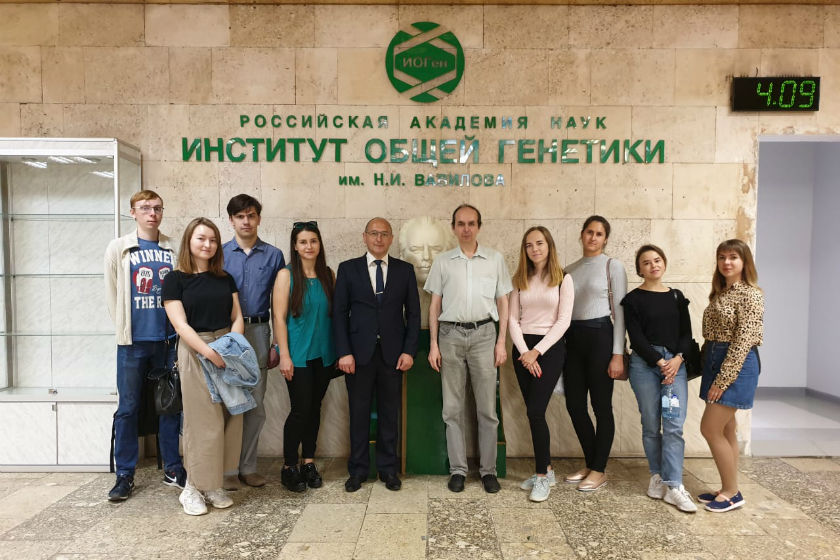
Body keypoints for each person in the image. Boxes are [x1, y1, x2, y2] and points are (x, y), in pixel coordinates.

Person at [425, 204, 512, 494]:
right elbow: (434, 305)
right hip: (449, 335)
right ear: (453, 228)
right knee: (452, 408)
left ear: (479, 226)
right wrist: (433, 344)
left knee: (487, 409)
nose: (466, 229)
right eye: (460, 223)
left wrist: (501, 342)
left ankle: (488, 471)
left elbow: (503, 302)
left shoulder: (495, 260)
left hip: (485, 335)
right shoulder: (443, 262)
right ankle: (458, 470)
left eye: (471, 223)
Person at [104, 189, 185, 501]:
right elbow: (112, 293)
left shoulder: (173, 248)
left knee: (169, 406)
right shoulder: (119, 248)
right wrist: (125, 329)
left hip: (167, 341)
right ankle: (125, 474)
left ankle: (173, 468)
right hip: (133, 342)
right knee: (128, 408)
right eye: (145, 208)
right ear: (133, 212)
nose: (152, 213)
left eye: (157, 208)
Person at [163, 217, 245, 516]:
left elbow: (237, 316)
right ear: (189, 241)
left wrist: (231, 346)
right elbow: (180, 325)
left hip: (227, 348)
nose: (207, 244)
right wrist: (209, 353)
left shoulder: (225, 278)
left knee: (230, 417)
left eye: (212, 239)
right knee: (202, 422)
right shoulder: (175, 279)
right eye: (201, 238)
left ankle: (212, 484)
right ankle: (192, 488)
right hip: (196, 350)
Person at [334, 218, 421, 492]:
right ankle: (358, 470)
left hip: (393, 356)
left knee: (389, 414)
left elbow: (414, 314)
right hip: (357, 356)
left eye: (384, 234)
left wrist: (409, 351)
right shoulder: (348, 269)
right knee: (358, 414)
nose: (379, 238)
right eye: (374, 233)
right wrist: (344, 352)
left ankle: (388, 469)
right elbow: (338, 314)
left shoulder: (405, 271)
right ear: (365, 237)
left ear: (391, 238)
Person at [621, 245, 696, 513]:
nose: (653, 265)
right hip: (644, 366)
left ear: (664, 263)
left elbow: (686, 334)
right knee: (651, 424)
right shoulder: (632, 299)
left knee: (674, 424)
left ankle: (674, 486)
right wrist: (659, 361)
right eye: (646, 262)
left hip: (675, 366)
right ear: (639, 269)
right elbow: (636, 337)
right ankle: (656, 476)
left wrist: (677, 360)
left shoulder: (676, 297)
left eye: (657, 260)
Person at [222, 194, 285, 489]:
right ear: (231, 220)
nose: (246, 221)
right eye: (240, 216)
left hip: (259, 332)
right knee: (228, 402)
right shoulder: (220, 254)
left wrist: (276, 344)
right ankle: (227, 469)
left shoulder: (273, 256)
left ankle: (248, 467)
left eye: (251, 215)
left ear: (258, 218)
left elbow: (279, 305)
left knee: (255, 404)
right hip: (226, 333)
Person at [508, 226, 573, 502]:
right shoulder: (519, 279)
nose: (534, 249)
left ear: (549, 246)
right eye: (529, 245)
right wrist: (525, 352)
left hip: (550, 349)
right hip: (522, 350)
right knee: (533, 413)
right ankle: (546, 470)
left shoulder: (563, 278)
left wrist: (537, 351)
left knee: (536, 411)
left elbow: (563, 321)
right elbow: (512, 319)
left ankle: (542, 478)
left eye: (539, 243)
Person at [698, 239, 764, 513]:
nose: (727, 262)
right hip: (715, 358)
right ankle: (728, 485)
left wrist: (723, 380)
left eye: (733, 257)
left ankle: (732, 493)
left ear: (744, 261)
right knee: (726, 428)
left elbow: (743, 341)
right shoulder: (721, 292)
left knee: (709, 428)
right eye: (722, 257)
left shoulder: (750, 294)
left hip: (736, 363)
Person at [563, 215, 626, 492]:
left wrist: (617, 354)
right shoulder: (568, 270)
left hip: (601, 336)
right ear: (581, 234)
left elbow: (620, 313)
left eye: (599, 234)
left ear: (605, 239)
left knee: (601, 406)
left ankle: (599, 470)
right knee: (575, 404)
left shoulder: (613, 266)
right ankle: (591, 463)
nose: (593, 237)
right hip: (572, 338)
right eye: (589, 232)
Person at [272, 221, 336, 493]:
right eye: (303, 242)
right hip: (297, 355)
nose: (309, 246)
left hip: (324, 354)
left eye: (313, 241)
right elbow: (279, 317)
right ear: (295, 246)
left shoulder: (328, 275)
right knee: (300, 410)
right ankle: (289, 466)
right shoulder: (286, 276)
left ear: (319, 244)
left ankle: (308, 462)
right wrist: (284, 355)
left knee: (315, 409)